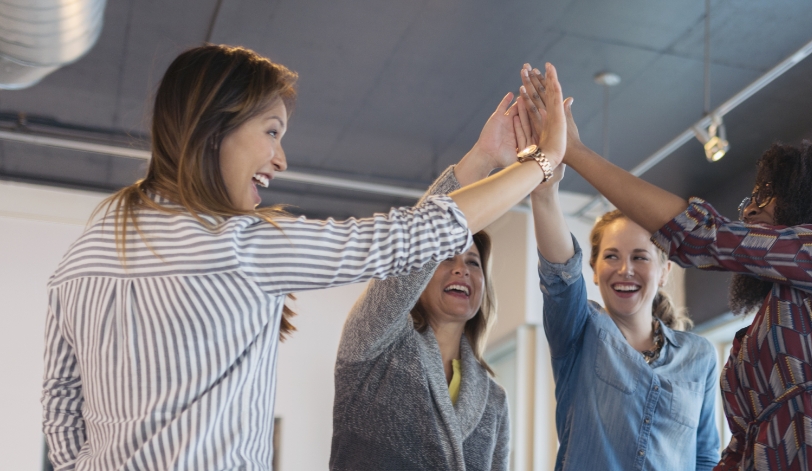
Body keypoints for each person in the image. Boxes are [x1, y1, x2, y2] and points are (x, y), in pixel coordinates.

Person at [41, 45, 567, 469]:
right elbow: (403, 240)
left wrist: (481, 161)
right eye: (271, 131)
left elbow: (62, 414)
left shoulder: (81, 257)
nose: (281, 158)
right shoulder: (238, 247)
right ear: (216, 126)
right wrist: (539, 164)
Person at [520, 67, 812, 470]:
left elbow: (699, 237)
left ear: (808, 199)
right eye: (611, 256)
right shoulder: (760, 331)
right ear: (594, 268)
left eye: (766, 195)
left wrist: (575, 151)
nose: (750, 208)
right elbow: (739, 449)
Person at [519, 66, 721, 470]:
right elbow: (560, 277)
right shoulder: (581, 332)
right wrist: (545, 191)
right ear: (594, 269)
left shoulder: (699, 357)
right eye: (611, 256)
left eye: (640, 257)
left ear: (664, 270)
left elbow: (705, 458)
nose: (624, 269)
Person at [330, 163, 510, 471]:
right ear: (421, 272)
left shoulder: (494, 399)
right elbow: (414, 247)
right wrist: (482, 159)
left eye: (473, 262)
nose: (462, 269)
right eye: (447, 257)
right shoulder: (374, 347)